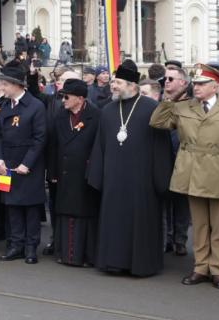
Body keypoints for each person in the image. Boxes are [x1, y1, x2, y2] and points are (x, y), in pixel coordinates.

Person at [151, 64, 219, 289]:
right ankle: (200, 267)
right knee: (199, 226)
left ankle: (217, 270)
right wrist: (169, 98)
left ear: (216, 86)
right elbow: (157, 122)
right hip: (192, 173)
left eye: (202, 84)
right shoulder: (183, 107)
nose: (197, 87)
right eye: (195, 83)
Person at [88, 60, 172, 277]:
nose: (112, 86)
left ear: (132, 85)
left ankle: (140, 265)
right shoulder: (107, 110)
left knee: (139, 222)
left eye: (117, 82)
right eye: (113, 82)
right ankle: (113, 262)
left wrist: (161, 179)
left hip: (142, 180)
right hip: (114, 179)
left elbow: (162, 147)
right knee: (114, 221)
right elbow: (100, 145)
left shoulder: (151, 108)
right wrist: (97, 176)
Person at [0, 61, 47, 263]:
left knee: (30, 207)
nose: (2, 88)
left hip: (28, 166)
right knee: (12, 207)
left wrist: (27, 163)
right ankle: (15, 245)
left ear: (16, 85)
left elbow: (40, 138)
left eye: (4, 84)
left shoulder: (35, 106)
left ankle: (31, 247)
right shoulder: (4, 106)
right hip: (7, 165)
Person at [48, 79, 100, 267]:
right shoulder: (60, 116)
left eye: (66, 96)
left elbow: (98, 147)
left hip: (84, 175)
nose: (63, 100)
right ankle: (64, 254)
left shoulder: (96, 116)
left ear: (80, 98)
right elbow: (53, 145)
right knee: (64, 213)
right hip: (64, 173)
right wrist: (52, 171)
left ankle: (84, 255)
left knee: (84, 214)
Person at [161, 64, 191, 256]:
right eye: (165, 79)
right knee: (165, 202)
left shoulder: (192, 104)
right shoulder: (162, 101)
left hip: (183, 159)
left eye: (171, 79)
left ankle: (180, 239)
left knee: (181, 203)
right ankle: (167, 238)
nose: (166, 82)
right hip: (164, 158)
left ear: (183, 83)